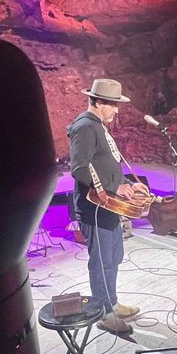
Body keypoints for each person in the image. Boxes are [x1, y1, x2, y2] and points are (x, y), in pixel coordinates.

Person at [68, 78, 149, 333]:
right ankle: (104, 313)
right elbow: (80, 168)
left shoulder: (99, 126)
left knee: (113, 256)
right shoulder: (85, 127)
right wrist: (115, 188)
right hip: (95, 208)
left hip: (109, 206)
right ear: (99, 102)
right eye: (113, 105)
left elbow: (106, 165)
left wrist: (127, 183)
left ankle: (111, 302)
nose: (117, 110)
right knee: (102, 261)